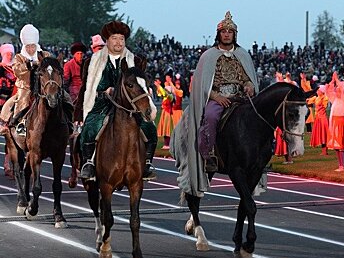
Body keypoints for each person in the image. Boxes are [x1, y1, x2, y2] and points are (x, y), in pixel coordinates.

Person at [173, 11, 258, 180]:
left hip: (240, 97)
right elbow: (201, 83)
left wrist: (249, 86)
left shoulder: (242, 54)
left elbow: (249, 78)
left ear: (234, 35)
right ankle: (208, 154)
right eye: (223, 32)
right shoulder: (209, 55)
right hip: (217, 97)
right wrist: (216, 97)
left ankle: (261, 154)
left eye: (230, 32)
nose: (227, 34)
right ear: (218, 34)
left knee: (259, 116)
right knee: (211, 116)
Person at [78, 20, 158, 181]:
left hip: (129, 106)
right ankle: (89, 163)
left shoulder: (135, 61)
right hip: (103, 104)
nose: (118, 42)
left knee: (149, 128)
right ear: (107, 40)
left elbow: (141, 83)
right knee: (91, 126)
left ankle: (147, 162)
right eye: (115, 38)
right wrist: (104, 91)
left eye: (121, 39)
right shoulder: (92, 61)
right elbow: (87, 88)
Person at [0, 24, 73, 137]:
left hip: (44, 87)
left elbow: (53, 66)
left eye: (33, 46)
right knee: (20, 102)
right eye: (28, 46)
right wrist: (29, 65)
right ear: (25, 45)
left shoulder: (45, 54)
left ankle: (69, 123)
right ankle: (16, 124)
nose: (31, 49)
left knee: (66, 97)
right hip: (26, 87)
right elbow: (17, 70)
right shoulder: (19, 57)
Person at [326, 72, 344, 172]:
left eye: (339, 89)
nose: (337, 90)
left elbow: (343, 88)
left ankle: (343, 165)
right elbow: (328, 89)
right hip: (334, 122)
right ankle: (340, 165)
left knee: (340, 145)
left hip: (340, 122)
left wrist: (336, 79)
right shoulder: (335, 99)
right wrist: (332, 80)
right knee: (336, 145)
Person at [0, 43, 16, 178]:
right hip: (0, 102)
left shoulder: (16, 69)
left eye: (11, 53)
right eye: (7, 53)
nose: (9, 55)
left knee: (11, 137)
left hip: (13, 104)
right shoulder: (0, 69)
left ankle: (8, 164)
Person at [155, 73, 176, 150]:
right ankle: (166, 143)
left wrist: (159, 86)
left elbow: (164, 93)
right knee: (164, 127)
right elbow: (160, 94)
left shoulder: (170, 95)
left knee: (167, 127)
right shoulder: (166, 95)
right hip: (165, 110)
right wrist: (158, 86)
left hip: (168, 111)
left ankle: (168, 143)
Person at [309, 84, 329, 155]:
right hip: (318, 118)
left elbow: (325, 106)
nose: (317, 91)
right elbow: (308, 101)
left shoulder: (324, 98)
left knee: (324, 134)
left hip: (322, 118)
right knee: (321, 134)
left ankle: (325, 151)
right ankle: (323, 150)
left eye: (318, 90)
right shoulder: (316, 98)